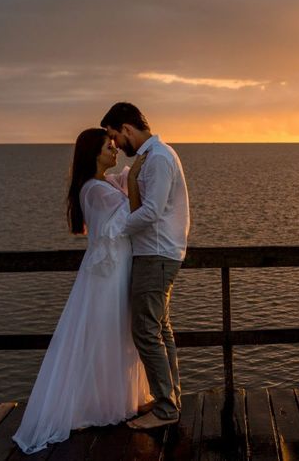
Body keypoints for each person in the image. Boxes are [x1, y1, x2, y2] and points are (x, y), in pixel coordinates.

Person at [13, 128, 152, 454]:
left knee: (116, 332)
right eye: (109, 146)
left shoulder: (102, 184)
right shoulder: (93, 189)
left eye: (115, 145)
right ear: (94, 153)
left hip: (115, 267)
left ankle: (115, 400)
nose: (115, 150)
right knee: (103, 332)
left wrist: (133, 175)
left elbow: (122, 187)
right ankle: (97, 404)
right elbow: (127, 217)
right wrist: (134, 182)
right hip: (107, 272)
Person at [101, 103, 190, 430]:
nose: (115, 144)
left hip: (157, 254)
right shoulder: (152, 158)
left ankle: (166, 408)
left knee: (145, 330)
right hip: (156, 253)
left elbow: (152, 211)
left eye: (114, 136)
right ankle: (169, 399)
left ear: (126, 128)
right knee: (160, 329)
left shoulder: (160, 159)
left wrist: (114, 230)